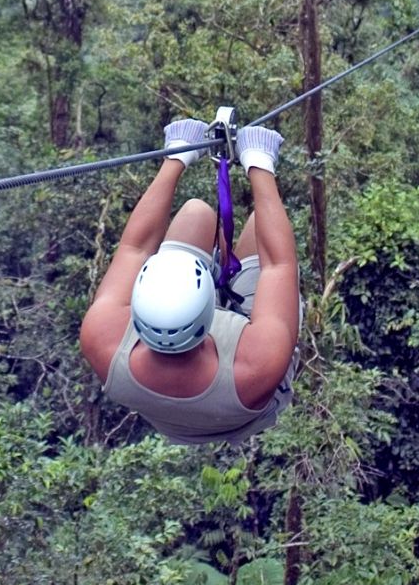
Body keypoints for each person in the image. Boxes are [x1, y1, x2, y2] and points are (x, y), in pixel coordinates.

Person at [79, 119, 300, 443]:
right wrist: (260, 164)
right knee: (258, 227)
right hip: (237, 390)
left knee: (196, 213)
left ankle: (225, 266)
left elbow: (134, 248)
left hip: (178, 411)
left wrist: (176, 158)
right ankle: (233, 276)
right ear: (211, 312)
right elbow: (279, 266)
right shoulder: (258, 364)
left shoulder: (103, 339)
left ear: (136, 311)